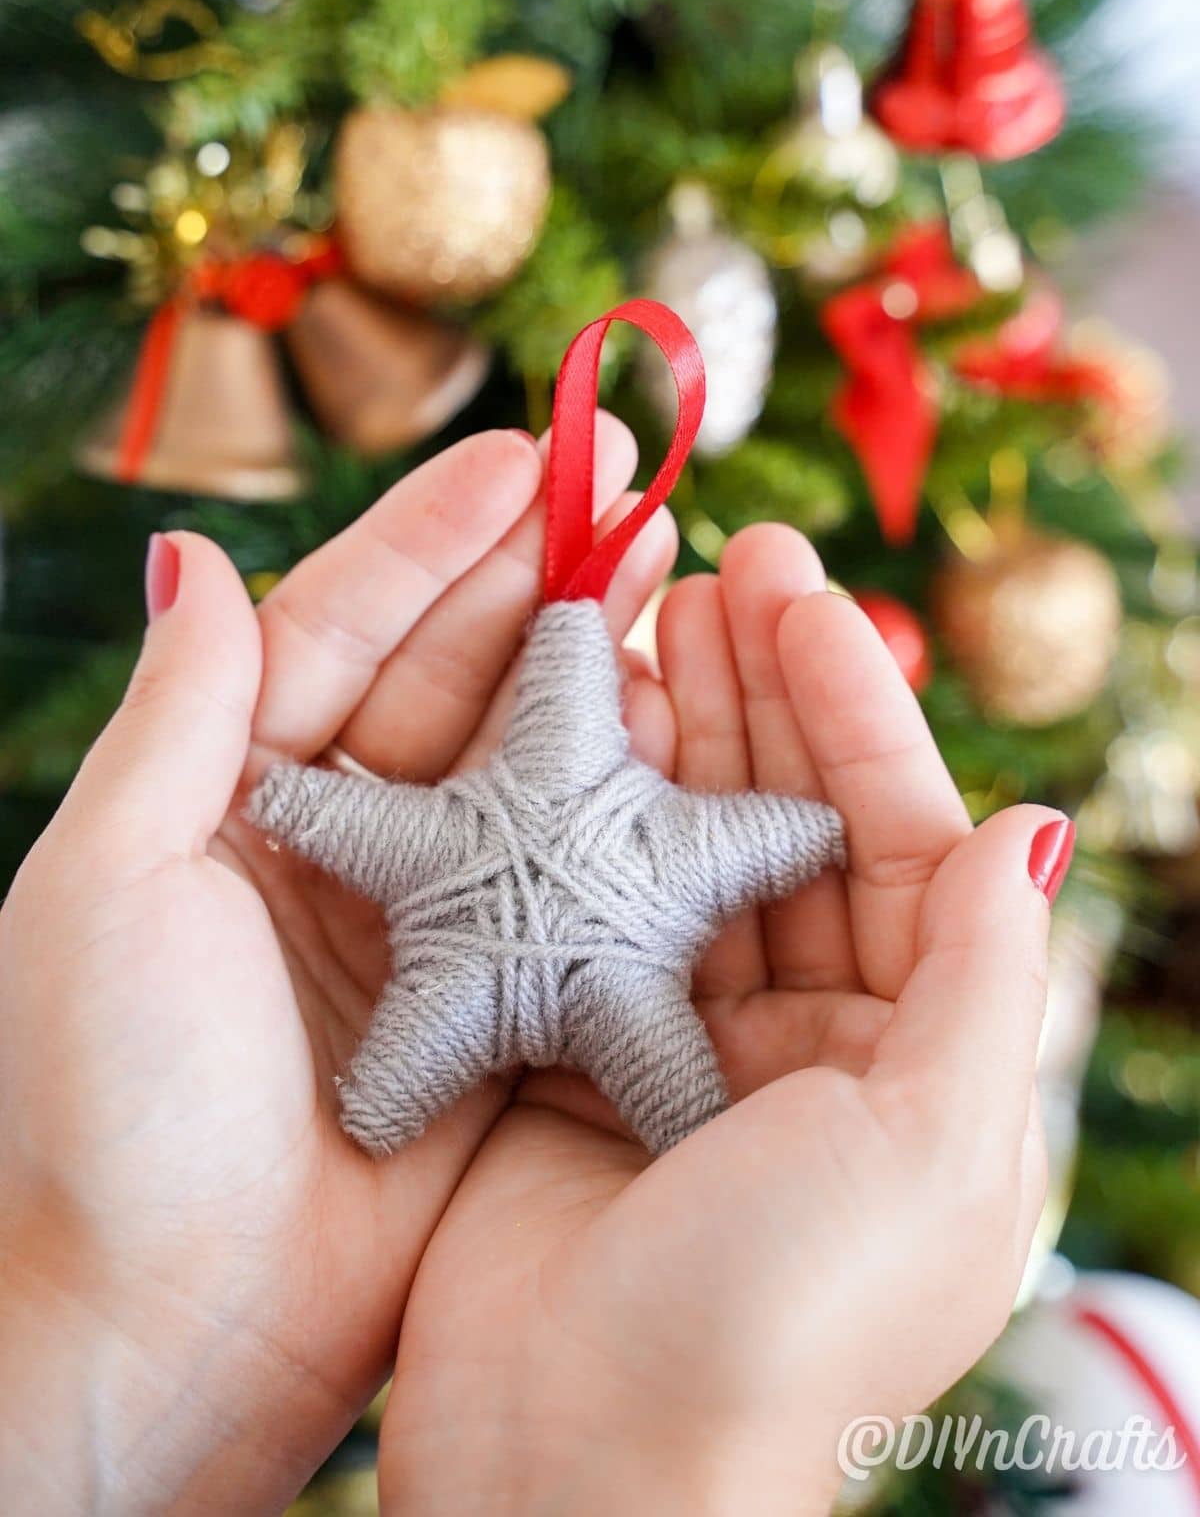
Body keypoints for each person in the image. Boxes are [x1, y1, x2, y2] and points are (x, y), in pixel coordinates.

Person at [0, 416, 1070, 1516]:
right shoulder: (561, 866)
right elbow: (386, 1066)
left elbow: (774, 840)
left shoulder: (629, 871)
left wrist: (113, 1345)